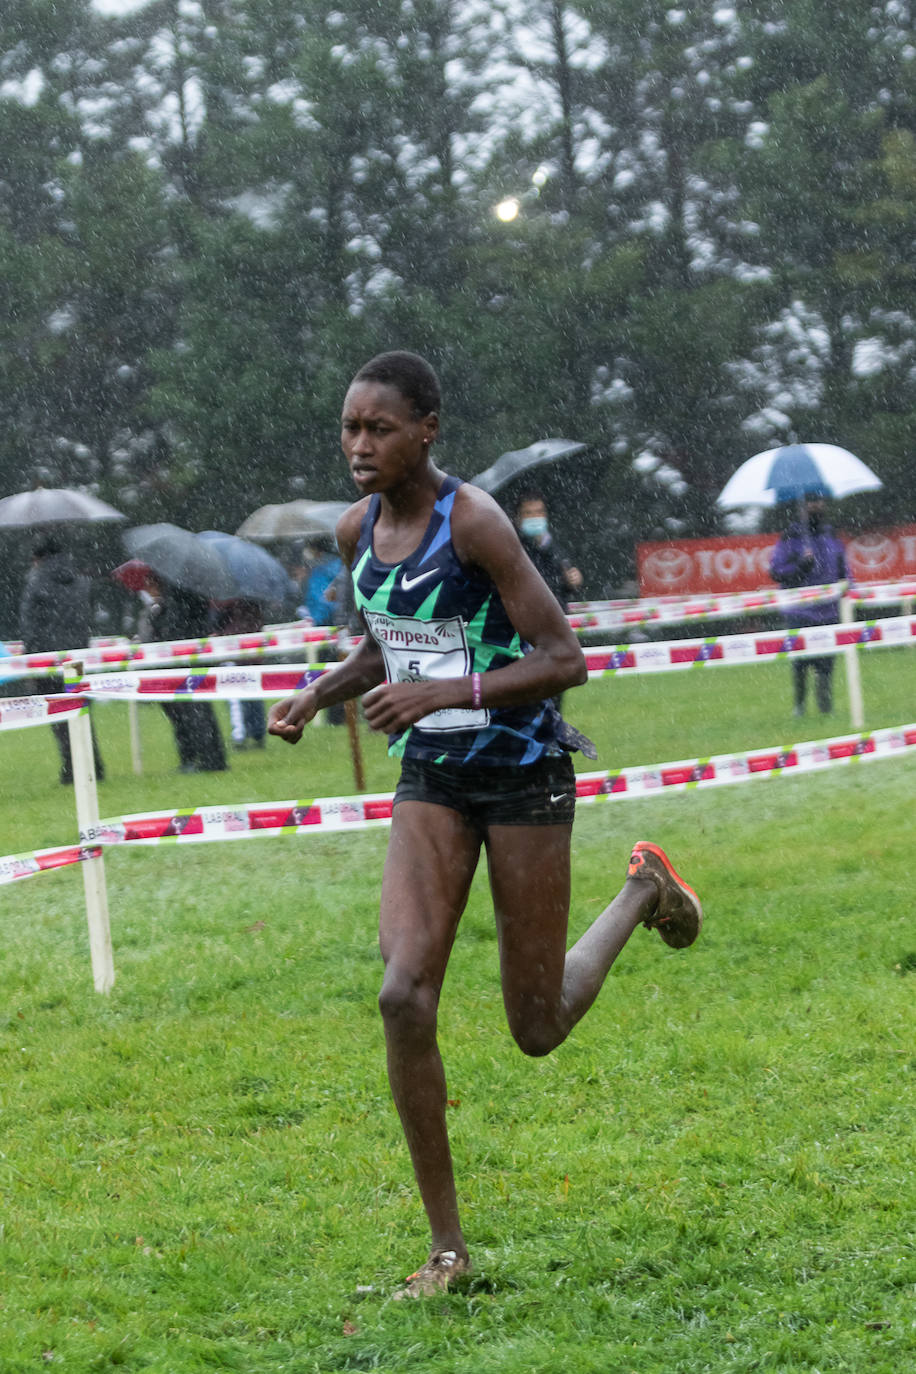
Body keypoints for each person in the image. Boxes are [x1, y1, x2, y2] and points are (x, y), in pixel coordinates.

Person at [268, 351, 702, 1298]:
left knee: (536, 1026)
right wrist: (318, 693)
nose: (358, 446)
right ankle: (447, 1252)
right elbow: (384, 646)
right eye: (349, 428)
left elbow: (563, 658)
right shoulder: (355, 529)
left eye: (379, 428)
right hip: (432, 779)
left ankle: (644, 890)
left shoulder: (474, 522)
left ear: (427, 429)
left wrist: (445, 692)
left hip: (522, 778)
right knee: (401, 995)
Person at [19, 532, 105, 784]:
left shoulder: (35, 584)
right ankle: (93, 766)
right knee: (81, 711)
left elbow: (30, 629)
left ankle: (73, 767)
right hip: (77, 657)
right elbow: (88, 618)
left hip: (48, 660)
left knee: (60, 717)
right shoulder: (81, 580)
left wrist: (32, 666)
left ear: (37, 558)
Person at [769, 494, 848, 716]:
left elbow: (844, 569)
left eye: (819, 501)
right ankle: (800, 707)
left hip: (828, 610)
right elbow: (776, 571)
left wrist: (848, 587)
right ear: (802, 507)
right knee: (801, 662)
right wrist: (801, 566)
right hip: (799, 611)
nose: (815, 506)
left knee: (826, 663)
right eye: (811, 502)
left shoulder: (831, 535)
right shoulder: (790, 537)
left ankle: (825, 708)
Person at [141, 572, 228, 772]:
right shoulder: (194, 588)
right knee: (194, 710)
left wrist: (159, 616)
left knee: (193, 711)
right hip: (190, 655)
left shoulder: (179, 594)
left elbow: (174, 626)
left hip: (183, 657)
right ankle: (201, 758)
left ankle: (207, 759)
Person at [514, 491, 583, 611]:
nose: (535, 517)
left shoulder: (558, 545)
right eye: (528, 513)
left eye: (539, 512)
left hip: (556, 615)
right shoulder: (512, 547)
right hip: (525, 615)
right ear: (518, 519)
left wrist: (573, 582)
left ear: (545, 515)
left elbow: (565, 586)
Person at [213, 597, 267, 749]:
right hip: (253, 652)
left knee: (236, 698)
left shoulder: (226, 603)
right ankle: (257, 733)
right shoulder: (256, 599)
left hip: (233, 652)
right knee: (254, 694)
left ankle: (240, 735)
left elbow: (217, 623)